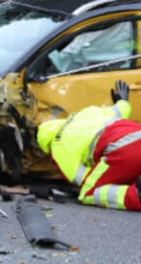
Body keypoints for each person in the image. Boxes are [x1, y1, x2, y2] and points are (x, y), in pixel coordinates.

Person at [37, 80, 141, 211]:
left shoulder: (58, 148)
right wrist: (123, 101)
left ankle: (136, 196)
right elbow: (120, 111)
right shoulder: (84, 114)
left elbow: (81, 178)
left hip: (123, 151)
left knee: (88, 193)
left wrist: (106, 179)